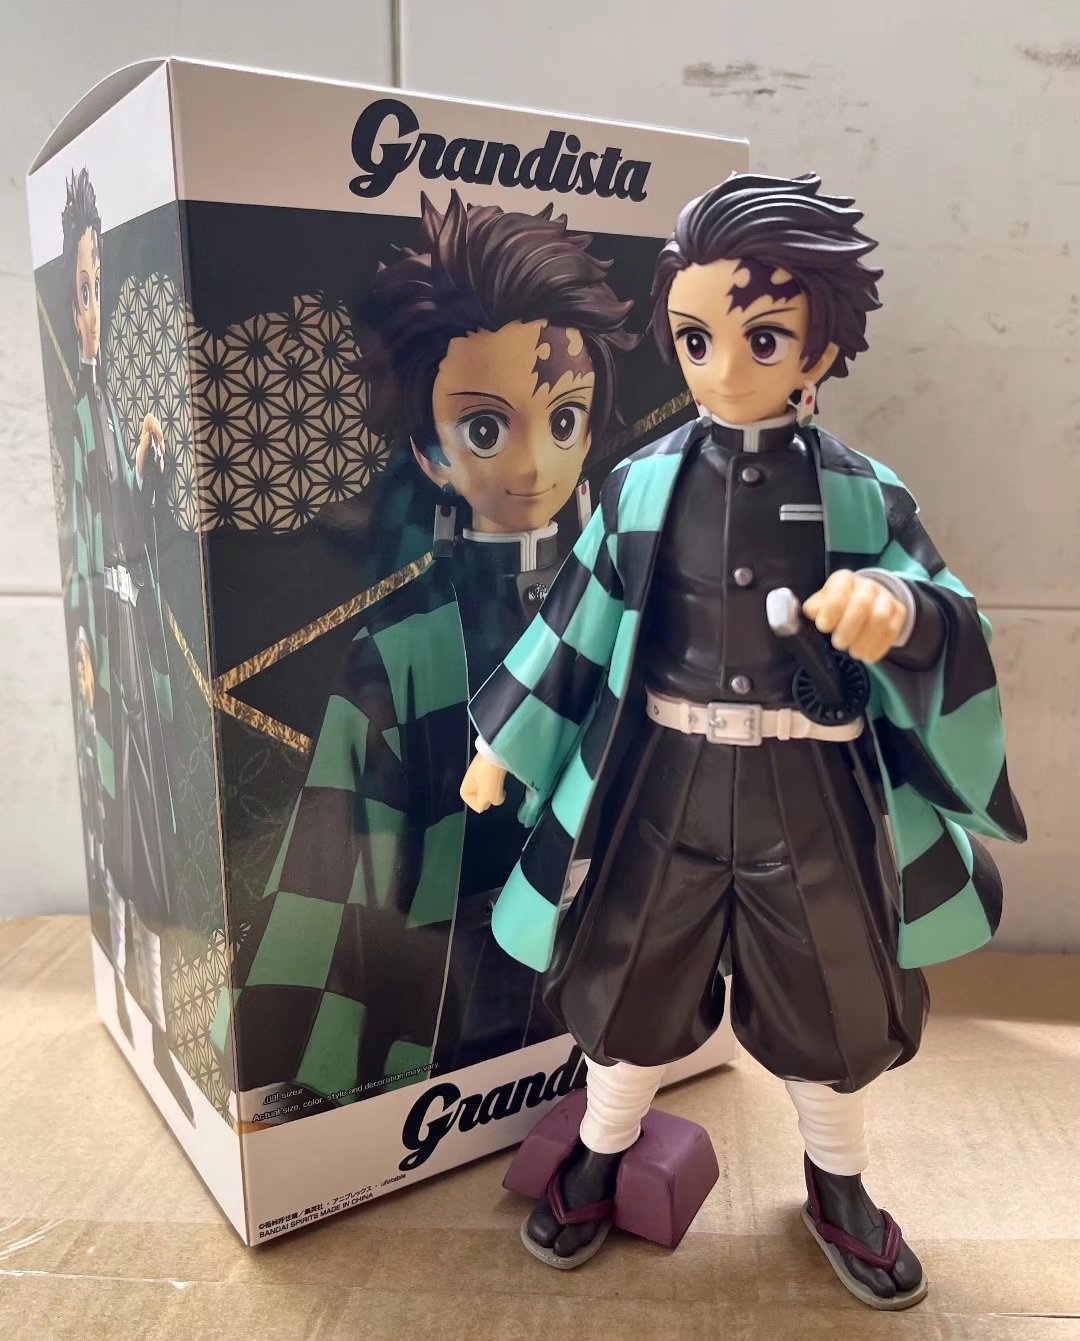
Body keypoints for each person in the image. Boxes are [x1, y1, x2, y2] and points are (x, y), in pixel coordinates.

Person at [461, 173, 1026, 1307]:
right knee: (626, 974)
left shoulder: (864, 495)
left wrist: (900, 611)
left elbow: (950, 609)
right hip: (661, 777)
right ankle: (600, 1149)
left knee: (834, 990)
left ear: (823, 346)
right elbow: (577, 621)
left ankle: (839, 1182)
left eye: (761, 338)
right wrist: (506, 745)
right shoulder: (637, 486)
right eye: (695, 339)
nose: (723, 368)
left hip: (809, 787)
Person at [214, 192, 637, 1115]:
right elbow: (332, 857)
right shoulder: (404, 644)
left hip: (593, 932)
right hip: (449, 953)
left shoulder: (621, 606)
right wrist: (280, 1041)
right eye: (486, 428)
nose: (531, 466)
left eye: (564, 420)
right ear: (431, 453)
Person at [63, 168, 191, 1120]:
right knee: (118, 825)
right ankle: (138, 1014)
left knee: (151, 824)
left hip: (134, 635)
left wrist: (148, 473)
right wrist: (81, 640)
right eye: (81, 287)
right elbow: (82, 542)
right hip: (104, 645)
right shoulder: (78, 411)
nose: (92, 305)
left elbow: (128, 533)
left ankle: (160, 1027)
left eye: (97, 284)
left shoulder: (106, 405)